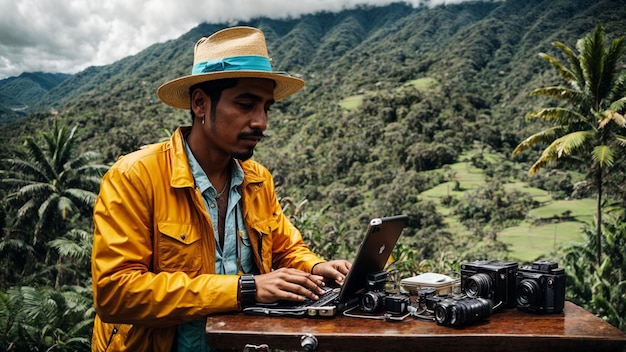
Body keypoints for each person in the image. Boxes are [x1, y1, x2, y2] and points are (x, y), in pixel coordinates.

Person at [90, 26, 351, 351]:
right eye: (245, 105)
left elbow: (285, 247)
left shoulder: (257, 180)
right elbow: (116, 293)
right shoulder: (136, 176)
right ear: (200, 103)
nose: (261, 122)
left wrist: (315, 266)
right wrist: (244, 289)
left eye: (266, 108)